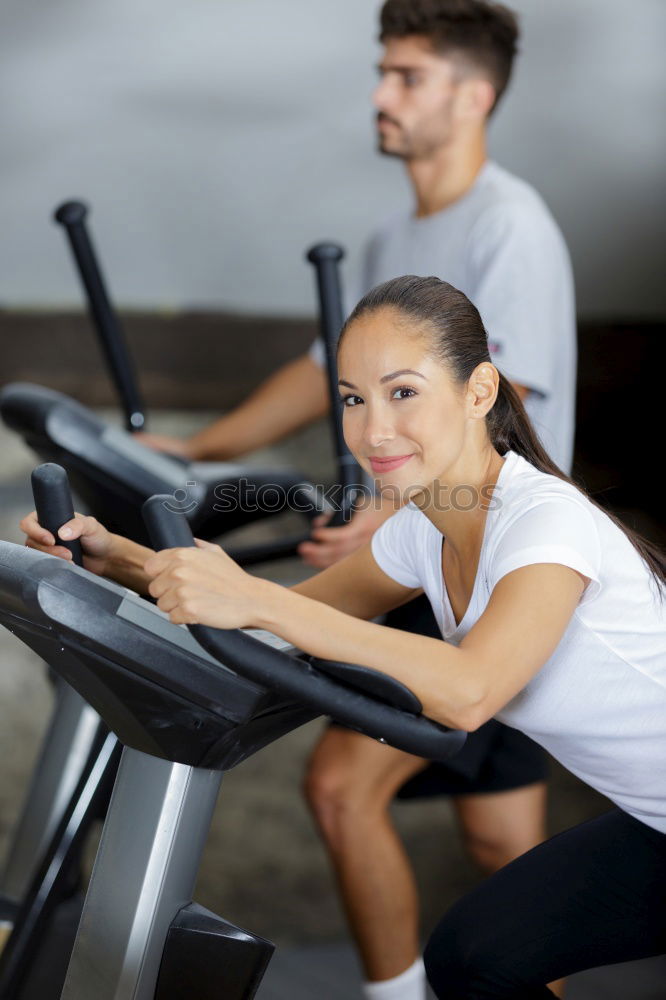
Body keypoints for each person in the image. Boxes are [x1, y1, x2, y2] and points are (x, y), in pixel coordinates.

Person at [22, 275, 666, 999]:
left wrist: (256, 600)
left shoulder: (546, 520)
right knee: (478, 957)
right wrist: (119, 559)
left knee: (482, 956)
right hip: (654, 819)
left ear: (480, 390)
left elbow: (469, 690)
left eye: (403, 392)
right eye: (354, 400)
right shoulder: (426, 530)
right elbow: (291, 615)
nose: (372, 430)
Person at [141, 3, 577, 995]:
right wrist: (194, 447)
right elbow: (317, 365)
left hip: (492, 570)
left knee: (341, 787)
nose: (381, 95)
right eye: (383, 71)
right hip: (436, 555)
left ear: (475, 96)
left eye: (408, 76)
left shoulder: (512, 227)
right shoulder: (398, 234)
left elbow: (501, 419)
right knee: (503, 843)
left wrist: (383, 520)